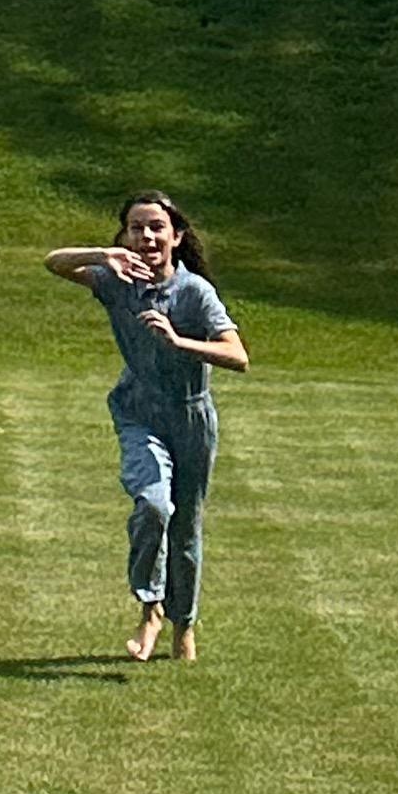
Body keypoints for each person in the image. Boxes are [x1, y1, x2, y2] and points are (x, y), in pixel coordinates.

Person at [44, 193, 249, 663]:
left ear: (176, 236)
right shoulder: (116, 282)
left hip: (191, 418)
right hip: (138, 411)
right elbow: (53, 263)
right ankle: (150, 605)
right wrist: (102, 255)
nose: (147, 237)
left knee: (186, 528)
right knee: (154, 504)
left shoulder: (194, 292)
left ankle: (185, 624)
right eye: (136, 228)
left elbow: (238, 357)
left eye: (156, 227)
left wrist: (180, 341)